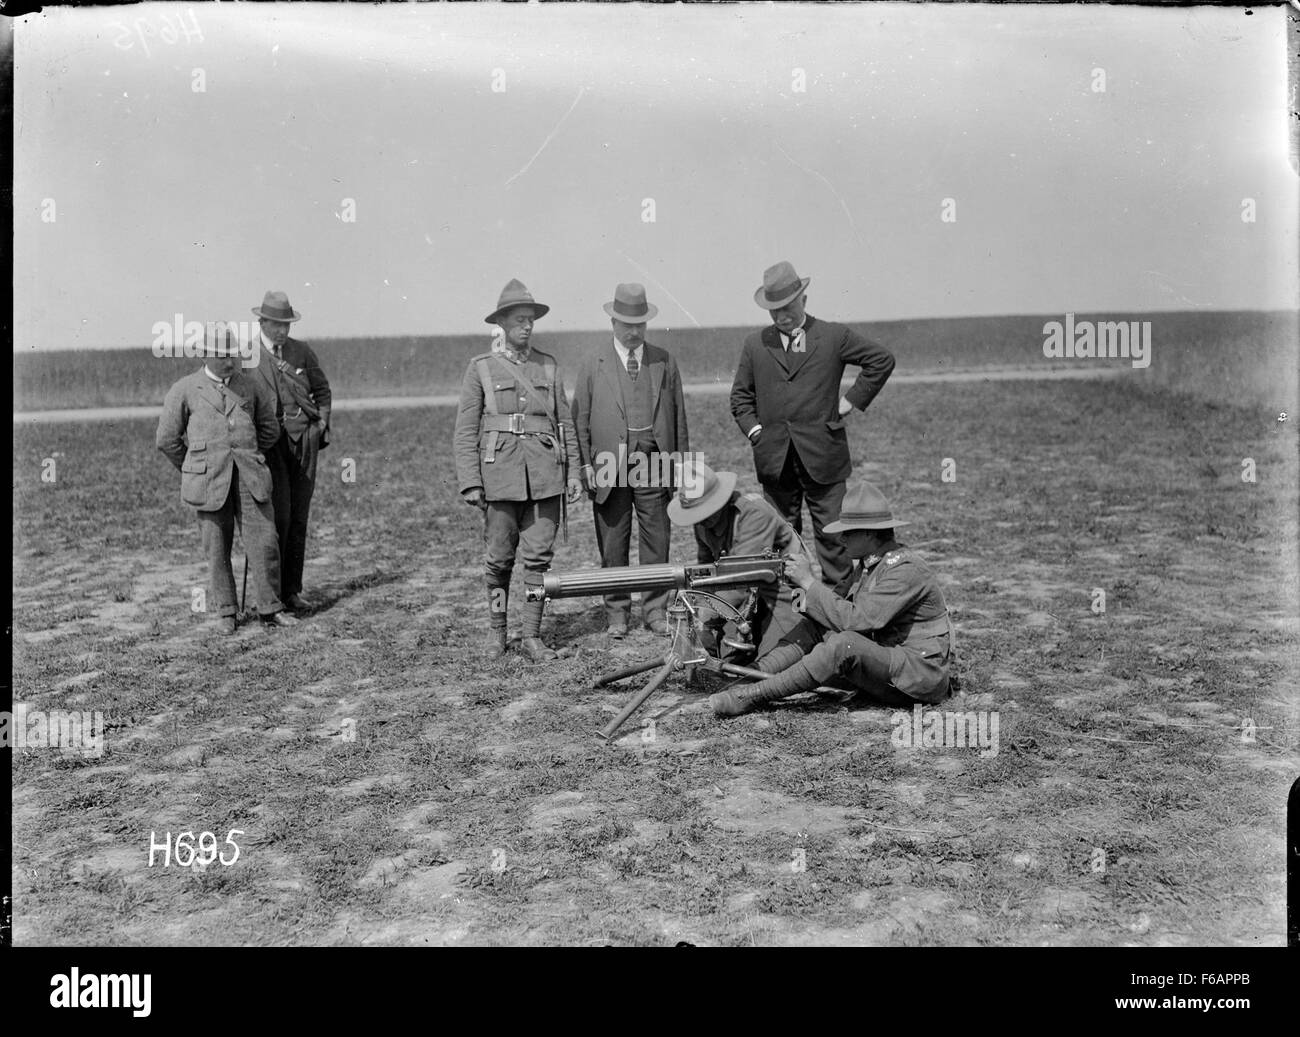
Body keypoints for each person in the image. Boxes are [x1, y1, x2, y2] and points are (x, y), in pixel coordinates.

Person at [709, 481, 952, 717]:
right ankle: (749, 676)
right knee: (814, 625)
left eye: (848, 533)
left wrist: (808, 581)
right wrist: (794, 585)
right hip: (890, 665)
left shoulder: (904, 570)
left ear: (869, 533)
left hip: (917, 677)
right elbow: (824, 608)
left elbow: (856, 621)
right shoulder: (869, 565)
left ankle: (753, 695)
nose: (842, 539)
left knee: (843, 643)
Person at [729, 261, 895, 590]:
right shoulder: (755, 344)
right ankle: (787, 614)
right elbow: (740, 398)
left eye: (787, 307)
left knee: (834, 539)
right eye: (774, 310)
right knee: (778, 540)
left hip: (824, 457)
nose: (781, 316)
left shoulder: (833, 336)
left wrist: (849, 402)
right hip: (775, 461)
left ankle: (839, 609)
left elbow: (881, 360)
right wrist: (756, 433)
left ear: (803, 300)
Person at [454, 279, 583, 662]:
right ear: (502, 325)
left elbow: (566, 425)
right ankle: (498, 634)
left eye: (530, 320)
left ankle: (531, 635)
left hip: (546, 477)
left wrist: (573, 473)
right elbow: (465, 431)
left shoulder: (549, 365)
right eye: (519, 320)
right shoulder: (481, 368)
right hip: (500, 479)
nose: (526, 326)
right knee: (498, 560)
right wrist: (471, 482)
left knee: (539, 560)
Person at [156, 323, 297, 634]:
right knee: (217, 548)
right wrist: (194, 466)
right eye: (221, 356)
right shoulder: (185, 389)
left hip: (250, 478)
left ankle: (271, 609)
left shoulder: (251, 386)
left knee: (265, 542)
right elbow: (167, 439)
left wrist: (248, 452)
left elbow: (270, 428)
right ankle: (226, 613)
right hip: (208, 482)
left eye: (233, 355)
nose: (229, 362)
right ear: (204, 354)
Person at [571, 283, 689, 638]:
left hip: (654, 462)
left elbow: (678, 415)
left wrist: (681, 465)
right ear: (613, 322)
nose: (634, 331)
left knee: (657, 539)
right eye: (626, 324)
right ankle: (618, 614)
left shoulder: (664, 360)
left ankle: (655, 611)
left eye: (640, 324)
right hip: (608, 463)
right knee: (613, 540)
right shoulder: (594, 362)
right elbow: (580, 418)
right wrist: (584, 466)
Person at [667, 460, 816, 663]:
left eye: (703, 512)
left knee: (785, 656)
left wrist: (705, 616)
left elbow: (742, 578)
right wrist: (695, 607)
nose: (699, 520)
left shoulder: (754, 514)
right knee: (721, 656)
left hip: (789, 588)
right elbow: (705, 570)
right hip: (744, 591)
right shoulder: (703, 521)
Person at [248, 290, 332, 613]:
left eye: (286, 324)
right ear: (262, 322)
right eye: (276, 324)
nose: (282, 330)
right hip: (271, 447)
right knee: (279, 517)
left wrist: (322, 423)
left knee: (299, 518)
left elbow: (322, 389)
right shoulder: (248, 355)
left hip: (305, 443)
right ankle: (274, 596)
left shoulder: (302, 352)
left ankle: (292, 591)